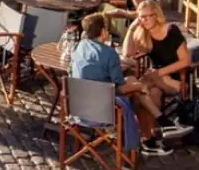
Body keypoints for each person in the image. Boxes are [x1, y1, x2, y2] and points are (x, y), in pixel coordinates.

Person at [70, 13, 174, 155]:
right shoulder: (109, 53)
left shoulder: (80, 46)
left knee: (133, 81)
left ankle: (159, 124)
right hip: (102, 110)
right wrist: (139, 85)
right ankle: (154, 130)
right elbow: (118, 83)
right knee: (140, 90)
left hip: (79, 105)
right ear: (103, 32)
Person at [122, 0, 193, 151]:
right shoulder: (143, 32)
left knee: (137, 85)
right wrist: (132, 28)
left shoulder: (171, 31)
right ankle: (152, 137)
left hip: (177, 78)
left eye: (148, 16)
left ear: (156, 15)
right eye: (141, 17)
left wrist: (160, 74)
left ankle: (158, 127)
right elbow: (127, 53)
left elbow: (186, 61)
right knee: (149, 93)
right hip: (157, 80)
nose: (144, 20)